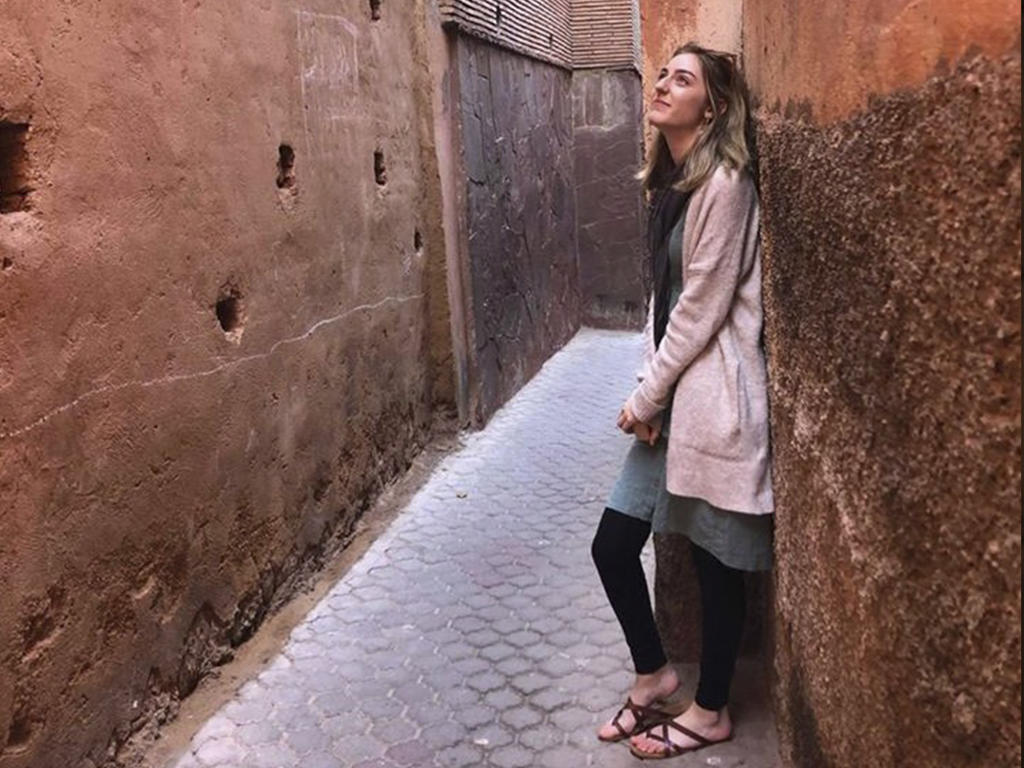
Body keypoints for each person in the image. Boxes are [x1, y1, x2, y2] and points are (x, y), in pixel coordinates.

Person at [590, 42, 774, 760]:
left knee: (714, 558)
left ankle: (712, 709)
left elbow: (701, 309)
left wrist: (647, 394)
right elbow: (664, 307)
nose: (663, 84)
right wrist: (651, 392)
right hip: (673, 399)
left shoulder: (726, 184)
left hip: (714, 396)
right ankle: (653, 672)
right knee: (612, 545)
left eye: (683, 79)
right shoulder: (673, 187)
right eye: (663, 74)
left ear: (715, 106)